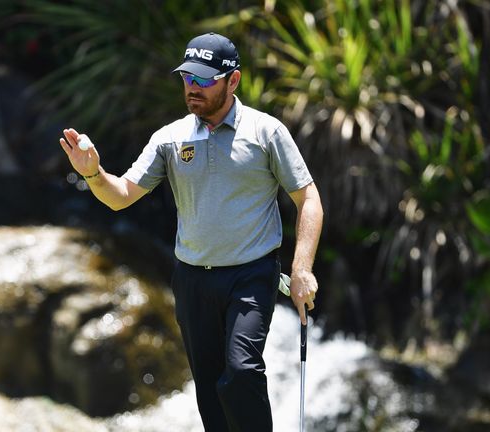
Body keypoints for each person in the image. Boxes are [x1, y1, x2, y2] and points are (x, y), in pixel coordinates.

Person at [58, 32, 323, 432]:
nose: (192, 88)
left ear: (232, 81)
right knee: (211, 396)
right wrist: (92, 172)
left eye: (203, 80)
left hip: (251, 275)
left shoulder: (266, 133)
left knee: (242, 371)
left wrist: (302, 269)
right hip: (193, 279)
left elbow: (309, 199)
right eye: (187, 78)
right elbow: (121, 196)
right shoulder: (170, 138)